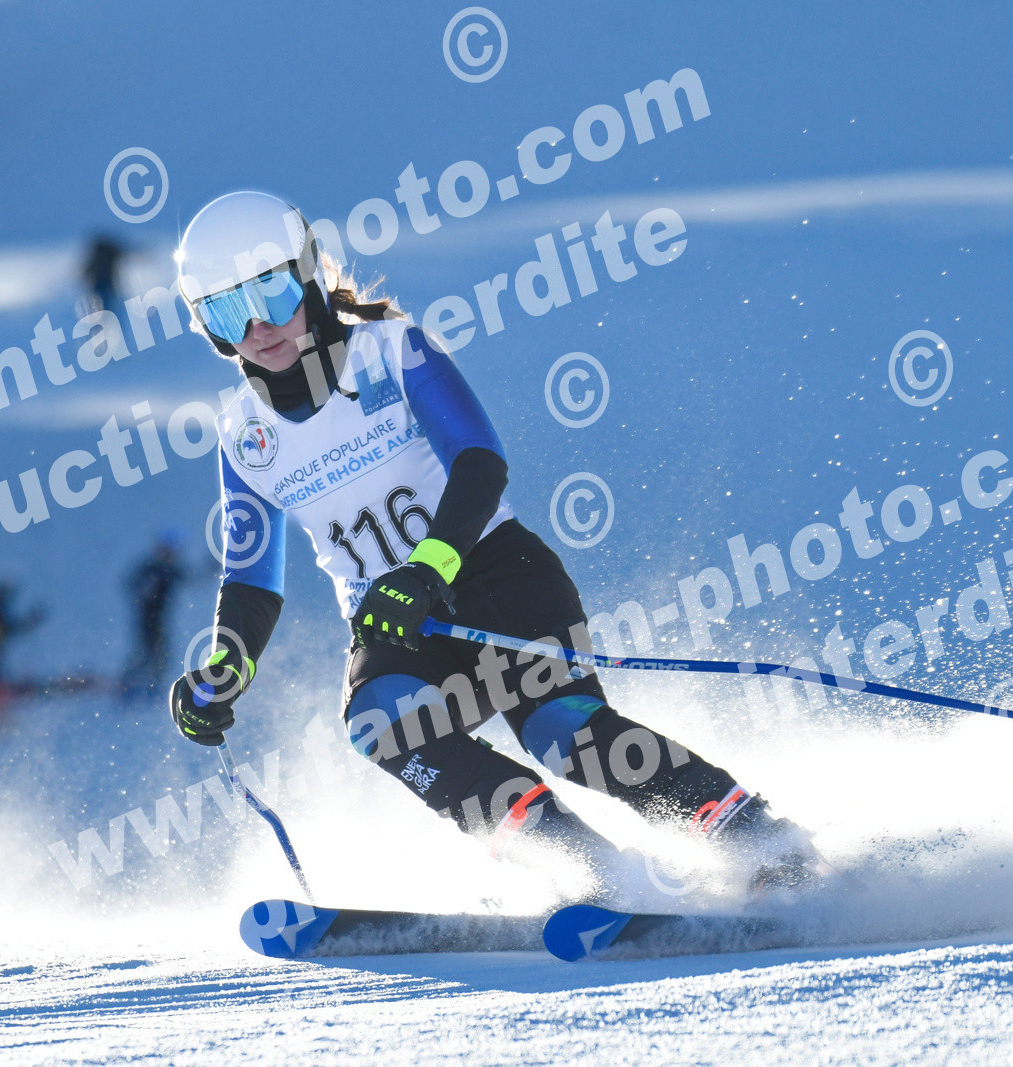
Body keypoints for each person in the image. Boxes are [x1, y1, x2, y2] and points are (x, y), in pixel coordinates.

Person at [167, 191, 820, 896]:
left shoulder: (394, 351)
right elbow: (251, 579)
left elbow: (479, 462)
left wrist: (426, 570)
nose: (258, 325)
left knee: (562, 733)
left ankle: (760, 839)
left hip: (496, 577)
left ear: (307, 277)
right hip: (394, 622)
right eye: (228, 311)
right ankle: (594, 873)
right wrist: (225, 667)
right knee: (381, 722)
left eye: (271, 292)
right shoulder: (244, 436)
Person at [119, 527, 189, 697]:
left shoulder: (170, 570)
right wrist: (145, 593)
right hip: (147, 619)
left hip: (159, 620)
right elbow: (131, 584)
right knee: (145, 652)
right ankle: (128, 684)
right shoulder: (151, 568)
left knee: (159, 654)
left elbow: (192, 578)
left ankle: (153, 686)